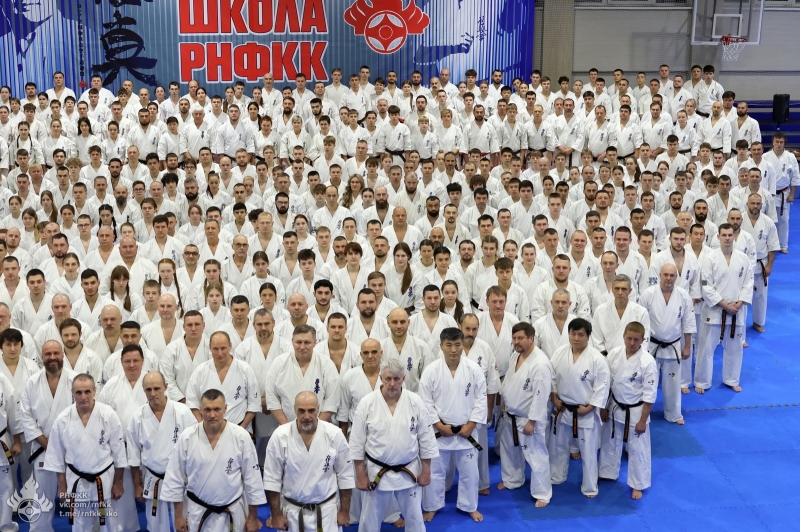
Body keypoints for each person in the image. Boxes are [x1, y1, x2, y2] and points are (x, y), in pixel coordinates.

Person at [349, 357, 438, 532]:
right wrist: (360, 475)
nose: (392, 383)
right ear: (381, 378)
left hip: (409, 470)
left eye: (396, 379)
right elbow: (357, 443)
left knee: (415, 519)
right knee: (369, 521)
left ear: (403, 378)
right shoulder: (367, 403)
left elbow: (426, 439)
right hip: (376, 472)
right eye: (388, 378)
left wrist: (426, 471)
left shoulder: (415, 402)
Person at [160, 388, 266, 532]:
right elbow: (175, 478)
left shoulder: (241, 436)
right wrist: (178, 516)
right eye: (207, 410)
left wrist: (253, 517)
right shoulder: (187, 437)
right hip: (196, 513)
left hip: (232, 511)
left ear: (225, 408)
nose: (212, 415)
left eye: (217, 409)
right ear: (200, 410)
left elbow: (252, 479)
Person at [43, 373, 127, 532]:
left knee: (110, 525)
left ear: (94, 390)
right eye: (79, 392)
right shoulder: (63, 419)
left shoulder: (108, 415)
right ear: (72, 393)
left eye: (87, 391)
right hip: (77, 481)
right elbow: (56, 456)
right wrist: (62, 487)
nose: (83, 396)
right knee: (81, 526)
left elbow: (119, 453)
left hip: (105, 480)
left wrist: (118, 483)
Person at [419, 328, 486, 522]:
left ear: (463, 345)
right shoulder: (431, 371)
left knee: (470, 473)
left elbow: (481, 399)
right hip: (439, 433)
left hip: (467, 432)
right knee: (435, 472)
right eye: (449, 345)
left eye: (457, 344)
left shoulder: (474, 369)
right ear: (441, 346)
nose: (454, 350)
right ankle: (432, 506)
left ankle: (469, 506)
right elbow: (425, 402)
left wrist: (471, 425)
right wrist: (439, 425)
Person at [264, 391, 354, 532]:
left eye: (311, 410)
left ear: (318, 408)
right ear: (294, 409)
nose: (306, 416)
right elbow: (272, 479)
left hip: (327, 512)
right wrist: (276, 515)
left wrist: (344, 511)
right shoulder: (280, 436)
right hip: (292, 513)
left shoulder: (334, 434)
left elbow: (346, 475)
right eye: (301, 411)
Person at [127, 371, 197, 532]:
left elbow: (196, 447)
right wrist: (137, 485)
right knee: (156, 526)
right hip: (153, 478)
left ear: (165, 387)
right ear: (143, 390)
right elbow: (133, 456)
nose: (153, 393)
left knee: (185, 523)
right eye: (148, 389)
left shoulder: (182, 412)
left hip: (181, 478)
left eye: (157, 388)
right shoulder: (138, 417)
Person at [549, 318, 610, 498]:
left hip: (585, 413)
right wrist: (553, 397)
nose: (576, 338)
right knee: (558, 447)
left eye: (581, 335)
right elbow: (551, 376)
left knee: (588, 452)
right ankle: (557, 476)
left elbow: (602, 386)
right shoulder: (560, 353)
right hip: (562, 409)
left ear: (588, 336)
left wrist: (591, 407)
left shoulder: (597, 359)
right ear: (568, 334)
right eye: (573, 334)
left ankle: (590, 486)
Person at [598, 322, 657, 500]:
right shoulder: (614, 354)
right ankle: (607, 472)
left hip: (636, 411)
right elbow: (606, 383)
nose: (632, 342)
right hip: (615, 406)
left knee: (638, 449)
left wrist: (643, 420)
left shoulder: (648, 362)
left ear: (643, 340)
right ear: (623, 336)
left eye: (636, 339)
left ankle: (638, 484)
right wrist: (604, 406)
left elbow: (650, 395)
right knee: (609, 441)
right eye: (629, 338)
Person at [496, 322, 553, 507]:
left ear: (531, 338)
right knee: (509, 451)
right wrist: (504, 402)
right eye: (514, 338)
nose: (516, 342)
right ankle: (512, 480)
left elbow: (541, 396)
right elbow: (509, 382)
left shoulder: (540, 363)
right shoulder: (516, 355)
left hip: (528, 418)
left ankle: (542, 493)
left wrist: (532, 421)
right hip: (510, 415)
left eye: (520, 338)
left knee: (536, 456)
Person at [695, 223, 754, 393]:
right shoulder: (710, 259)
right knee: (705, 349)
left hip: (736, 311)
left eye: (730, 235)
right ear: (718, 237)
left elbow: (748, 283)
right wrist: (723, 305)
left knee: (735, 349)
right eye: (724, 235)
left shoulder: (743, 259)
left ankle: (731, 379)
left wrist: (739, 303)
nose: (727, 238)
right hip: (714, 311)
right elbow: (706, 286)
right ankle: (702, 381)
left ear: (734, 236)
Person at [96, 344, 148, 532]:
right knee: (122, 494)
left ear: (143, 361)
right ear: (121, 362)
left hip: (148, 449)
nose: (132, 365)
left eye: (135, 361)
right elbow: (100, 416)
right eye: (127, 361)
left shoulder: (151, 382)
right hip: (120, 448)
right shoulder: (111, 385)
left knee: (151, 494)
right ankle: (126, 528)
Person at [185, 331, 260, 433]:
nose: (220, 353)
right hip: (208, 429)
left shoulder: (244, 369)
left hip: (239, 428)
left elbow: (254, 404)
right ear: (210, 348)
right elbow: (192, 402)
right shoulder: (200, 371)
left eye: (223, 348)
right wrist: (202, 426)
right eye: (215, 349)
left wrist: (242, 428)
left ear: (230, 346)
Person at [264, 324, 341, 424]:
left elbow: (331, 401)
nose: (302, 347)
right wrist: (288, 427)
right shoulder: (279, 363)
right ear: (292, 341)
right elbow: (272, 398)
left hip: (319, 426)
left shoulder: (326, 365)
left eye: (307, 342)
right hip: (286, 426)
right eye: (298, 342)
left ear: (315, 342)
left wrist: (316, 427)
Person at [740, 193, 779, 333]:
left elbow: (773, 246)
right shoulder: (740, 219)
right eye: (753, 203)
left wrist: (769, 265)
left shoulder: (768, 222)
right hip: (742, 265)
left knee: (761, 296)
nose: (755, 206)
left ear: (762, 205)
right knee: (740, 296)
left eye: (758, 204)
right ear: (747, 204)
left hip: (760, 263)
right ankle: (739, 325)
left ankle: (758, 322)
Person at [591, 274, 650, 355]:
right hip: (606, 357)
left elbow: (644, 341)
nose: (620, 292)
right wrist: (606, 357)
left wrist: (633, 358)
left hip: (633, 357)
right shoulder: (600, 311)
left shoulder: (641, 312)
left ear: (630, 291)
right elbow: (596, 339)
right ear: (612, 289)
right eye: (617, 288)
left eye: (624, 289)